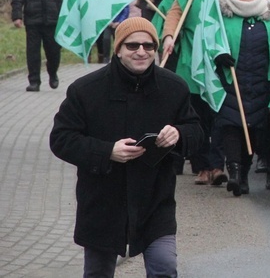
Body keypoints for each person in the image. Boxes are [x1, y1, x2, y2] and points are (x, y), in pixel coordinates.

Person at [49, 17, 203, 278]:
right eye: (132, 46)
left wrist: (178, 134)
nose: (141, 52)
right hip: (102, 199)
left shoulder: (174, 87)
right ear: (118, 49)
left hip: (155, 198)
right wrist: (107, 151)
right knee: (98, 272)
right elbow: (61, 138)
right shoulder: (85, 90)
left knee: (165, 267)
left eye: (148, 46)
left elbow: (197, 132)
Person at [161, 0, 233, 186]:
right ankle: (201, 167)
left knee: (220, 117)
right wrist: (169, 36)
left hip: (223, 60)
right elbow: (175, 13)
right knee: (197, 117)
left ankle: (218, 165)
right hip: (192, 60)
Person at [214, 0, 270, 195]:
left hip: (260, 83)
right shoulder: (224, 16)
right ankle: (233, 172)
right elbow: (210, 39)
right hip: (232, 81)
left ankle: (243, 175)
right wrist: (218, 56)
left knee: (252, 131)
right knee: (231, 126)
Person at [11, 0, 69, 92]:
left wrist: (63, 12)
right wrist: (17, 16)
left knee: (53, 51)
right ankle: (34, 81)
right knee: (33, 52)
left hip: (53, 20)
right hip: (33, 19)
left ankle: (53, 73)